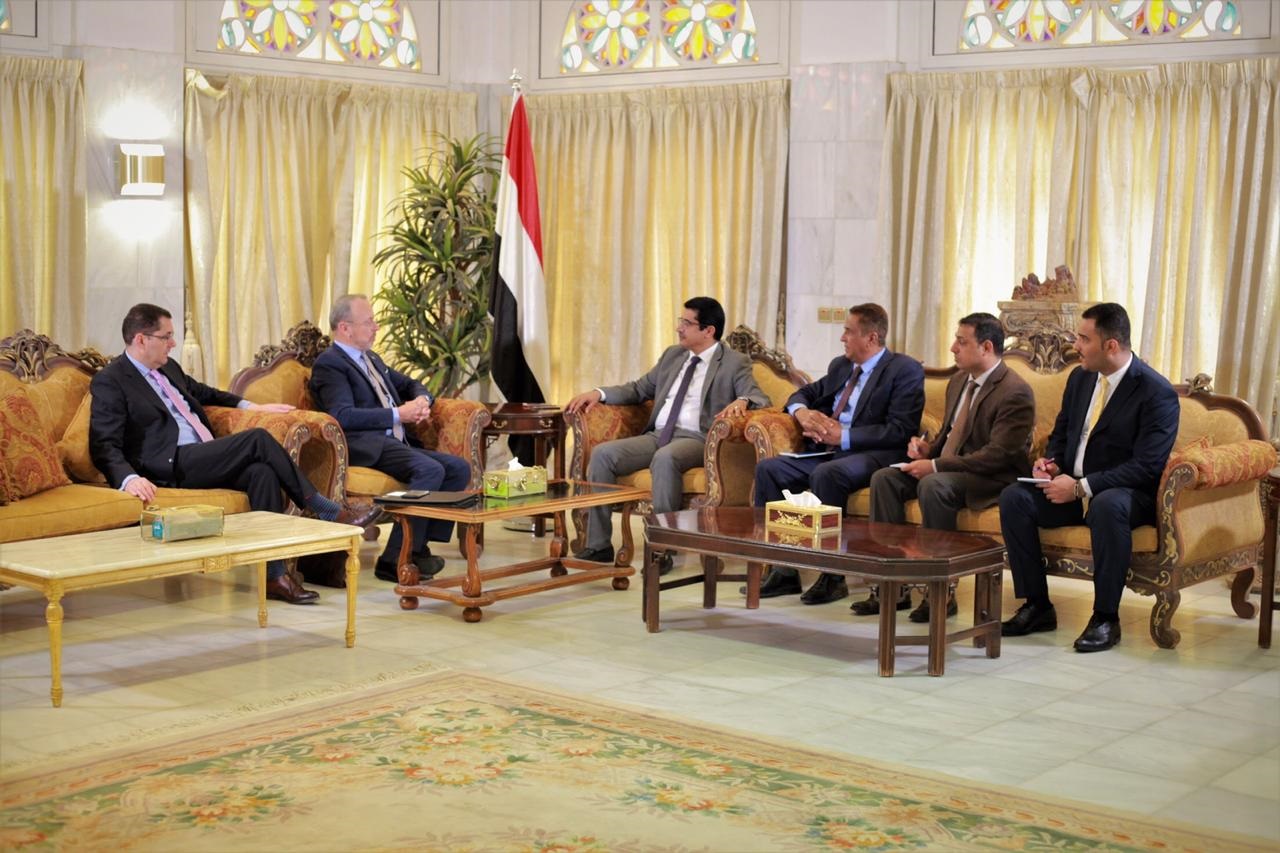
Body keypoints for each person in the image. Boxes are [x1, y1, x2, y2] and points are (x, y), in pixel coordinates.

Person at [90, 303, 378, 605]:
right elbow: (103, 443)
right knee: (257, 439)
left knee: (261, 474)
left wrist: (251, 406)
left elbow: (207, 393)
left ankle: (274, 576)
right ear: (141, 339)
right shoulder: (112, 380)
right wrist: (128, 478)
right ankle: (326, 509)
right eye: (166, 337)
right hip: (169, 463)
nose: (173, 343)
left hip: (201, 455)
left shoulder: (168, 367)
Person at [999, 302, 1179, 652]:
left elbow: (1147, 465)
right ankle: (1037, 605)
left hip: (1125, 493)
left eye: (1083, 339)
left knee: (1107, 506)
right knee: (1015, 498)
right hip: (1072, 487)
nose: (1075, 345)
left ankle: (1105, 618)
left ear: (1110, 345)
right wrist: (1051, 464)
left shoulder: (1156, 392)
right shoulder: (1080, 378)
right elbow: (1061, 434)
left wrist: (1082, 487)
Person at [564, 296, 769, 574]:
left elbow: (759, 398)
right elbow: (638, 389)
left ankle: (663, 548)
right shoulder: (673, 355)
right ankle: (599, 544)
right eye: (680, 321)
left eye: (686, 323)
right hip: (658, 434)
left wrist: (743, 400)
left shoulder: (733, 362)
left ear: (708, 330)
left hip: (698, 439)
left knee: (665, 458)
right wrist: (598, 393)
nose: (678, 328)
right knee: (603, 455)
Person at [863, 312, 1035, 622]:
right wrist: (926, 450)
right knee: (885, 478)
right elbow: (950, 437)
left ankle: (940, 591)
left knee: (934, 484)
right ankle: (893, 585)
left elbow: (997, 455)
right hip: (952, 469)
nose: (953, 348)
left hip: (991, 477)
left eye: (961, 341)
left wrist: (935, 465)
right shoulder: (958, 381)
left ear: (986, 347)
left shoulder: (1014, 391)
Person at [753, 303, 925, 605]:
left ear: (871, 338)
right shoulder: (842, 366)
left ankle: (832, 575)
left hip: (873, 453)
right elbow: (803, 393)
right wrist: (802, 412)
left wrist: (843, 436)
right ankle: (783, 567)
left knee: (828, 474)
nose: (842, 338)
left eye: (848, 331)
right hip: (826, 452)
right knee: (770, 469)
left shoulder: (904, 370)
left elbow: (900, 429)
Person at [309, 294, 472, 583]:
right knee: (430, 470)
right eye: (369, 322)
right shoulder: (330, 364)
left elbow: (410, 383)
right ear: (345, 328)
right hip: (364, 445)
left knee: (458, 468)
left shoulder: (371, 359)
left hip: (394, 444)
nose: (376, 327)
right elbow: (342, 415)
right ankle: (394, 559)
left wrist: (421, 400)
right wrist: (399, 414)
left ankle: (417, 547)